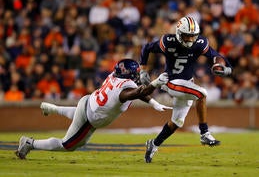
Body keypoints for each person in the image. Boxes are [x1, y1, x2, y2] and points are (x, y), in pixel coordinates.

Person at [15, 58, 172, 159]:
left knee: (78, 134)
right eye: (136, 73)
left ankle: (53, 108)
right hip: (90, 116)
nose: (138, 76)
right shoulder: (123, 91)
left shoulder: (115, 76)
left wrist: (153, 103)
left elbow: (136, 92)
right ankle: (29, 143)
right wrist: (155, 84)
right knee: (68, 145)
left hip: (89, 103)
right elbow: (137, 92)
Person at [139, 16, 232, 163]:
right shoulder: (168, 41)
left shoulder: (200, 43)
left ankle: (153, 144)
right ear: (178, 32)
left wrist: (224, 68)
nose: (189, 39)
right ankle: (204, 132)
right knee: (202, 94)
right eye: (186, 35)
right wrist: (143, 70)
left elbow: (216, 56)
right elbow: (147, 48)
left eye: (192, 36)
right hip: (171, 81)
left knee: (176, 122)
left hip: (186, 84)